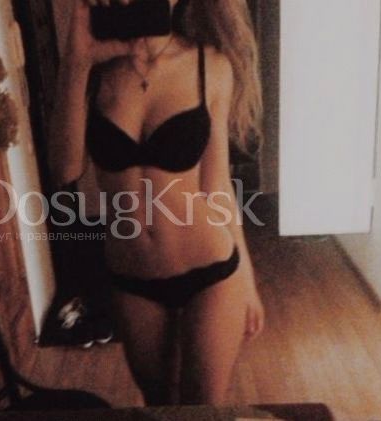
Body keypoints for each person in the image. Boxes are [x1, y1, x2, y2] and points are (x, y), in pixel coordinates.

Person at [48, 0, 265, 406]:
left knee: (202, 409)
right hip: (132, 278)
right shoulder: (94, 69)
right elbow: (64, 169)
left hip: (212, 272)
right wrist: (76, 62)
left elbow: (217, 188)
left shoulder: (211, 65)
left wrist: (248, 281)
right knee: (158, 403)